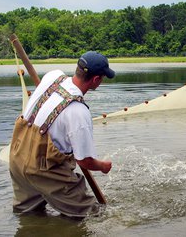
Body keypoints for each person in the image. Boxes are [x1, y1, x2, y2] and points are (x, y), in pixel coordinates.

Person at [9, 51, 114, 218]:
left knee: (28, 216)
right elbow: (85, 161)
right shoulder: (78, 112)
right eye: (102, 78)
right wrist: (102, 166)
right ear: (96, 80)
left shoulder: (53, 76)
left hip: (17, 157)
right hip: (43, 170)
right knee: (93, 215)